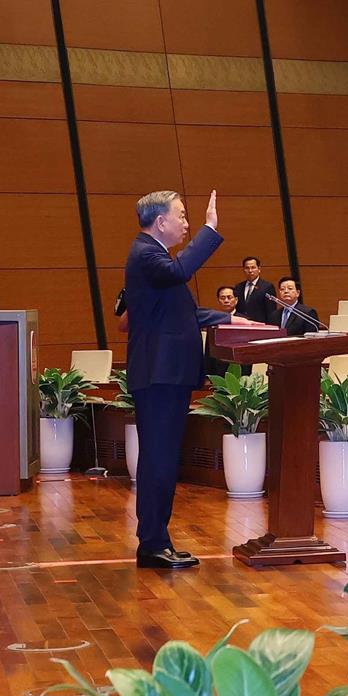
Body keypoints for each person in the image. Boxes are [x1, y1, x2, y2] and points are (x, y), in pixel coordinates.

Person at [125, 188, 222, 571]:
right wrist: (210, 229)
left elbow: (183, 314)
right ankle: (152, 543)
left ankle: (156, 541)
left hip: (165, 374)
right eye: (181, 215)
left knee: (161, 459)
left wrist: (232, 319)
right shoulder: (147, 254)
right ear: (161, 221)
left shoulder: (154, 256)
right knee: (159, 460)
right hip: (159, 374)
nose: (186, 223)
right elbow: (181, 272)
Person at [231, 256, 274, 322]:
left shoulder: (267, 287)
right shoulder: (238, 287)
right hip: (242, 324)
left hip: (259, 324)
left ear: (259, 269)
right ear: (243, 269)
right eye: (247, 268)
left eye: (253, 267)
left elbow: (271, 311)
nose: (250, 271)